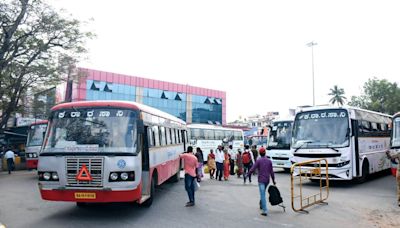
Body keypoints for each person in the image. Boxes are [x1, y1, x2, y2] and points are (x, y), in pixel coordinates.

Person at [247, 147, 276, 216]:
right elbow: (272, 172)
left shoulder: (258, 160)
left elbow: (252, 169)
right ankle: (261, 204)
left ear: (260, 153)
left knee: (262, 194)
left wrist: (247, 175)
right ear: (265, 153)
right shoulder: (269, 161)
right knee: (263, 193)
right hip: (267, 180)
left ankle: (265, 210)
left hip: (261, 180)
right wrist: (274, 180)